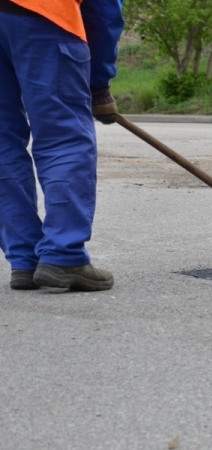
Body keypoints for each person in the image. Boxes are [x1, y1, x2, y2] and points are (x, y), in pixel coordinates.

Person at [0, 0, 124, 291]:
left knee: (2, 142)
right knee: (63, 137)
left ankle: (25, 257)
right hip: (44, 14)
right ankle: (63, 254)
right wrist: (99, 84)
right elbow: (104, 8)